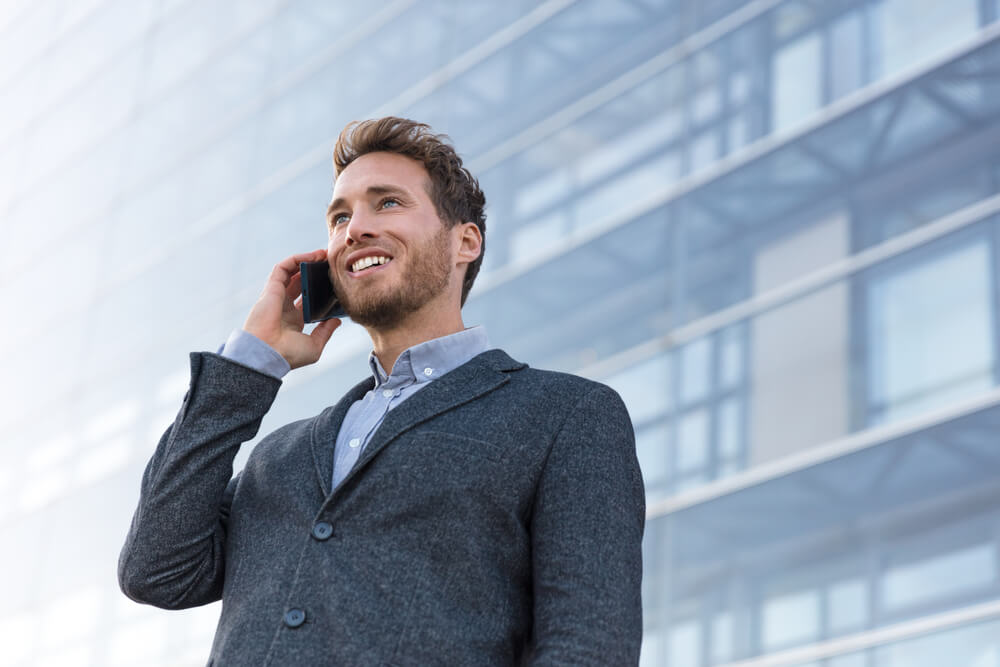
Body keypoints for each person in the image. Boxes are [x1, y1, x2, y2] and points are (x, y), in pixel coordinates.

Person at [119, 117, 645, 665]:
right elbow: (156, 571)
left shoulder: (567, 414)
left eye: (387, 203)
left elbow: (588, 647)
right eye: (340, 216)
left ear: (465, 241)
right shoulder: (280, 454)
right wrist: (251, 365)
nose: (355, 229)